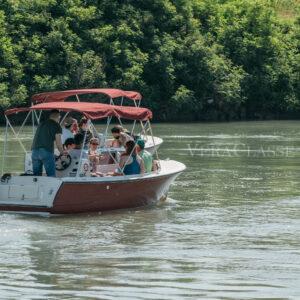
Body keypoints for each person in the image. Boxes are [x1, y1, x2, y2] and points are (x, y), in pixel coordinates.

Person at [31, 109, 65, 177]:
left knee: (36, 177)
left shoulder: (41, 124)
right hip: (46, 151)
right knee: (51, 176)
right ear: (58, 116)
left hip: (34, 151)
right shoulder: (56, 125)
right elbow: (58, 143)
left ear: (50, 116)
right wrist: (62, 153)